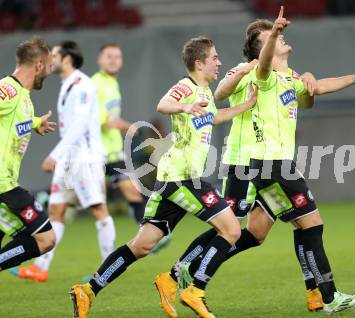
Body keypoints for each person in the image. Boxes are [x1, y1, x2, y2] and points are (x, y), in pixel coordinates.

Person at [158, 6, 355, 315]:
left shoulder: (288, 77)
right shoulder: (257, 73)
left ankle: (315, 295)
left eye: (279, 34)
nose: (281, 36)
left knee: (254, 232)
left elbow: (317, 88)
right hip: (257, 162)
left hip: (268, 163)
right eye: (274, 36)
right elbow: (225, 89)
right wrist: (269, 38)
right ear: (264, 49)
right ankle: (326, 295)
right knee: (294, 224)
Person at [69, 36, 257, 318]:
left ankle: (88, 289)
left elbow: (215, 117)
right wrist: (183, 107)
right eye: (214, 58)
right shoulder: (187, 86)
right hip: (183, 177)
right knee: (231, 230)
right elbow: (163, 103)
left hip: (172, 178)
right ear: (199, 63)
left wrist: (246, 105)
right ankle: (194, 290)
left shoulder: (205, 93)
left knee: (142, 245)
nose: (219, 62)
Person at [15, 41, 116, 282]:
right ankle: (40, 267)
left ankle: (109, 268)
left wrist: (55, 154)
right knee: (56, 210)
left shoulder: (82, 85)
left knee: (98, 209)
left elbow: (80, 126)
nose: (51, 59)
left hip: (84, 159)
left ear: (68, 58)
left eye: (56, 54)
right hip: (70, 159)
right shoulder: (68, 84)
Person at [0, 36, 56, 271]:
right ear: (39, 65)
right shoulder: (9, 89)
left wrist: (34, 122)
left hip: (7, 183)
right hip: (4, 187)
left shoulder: (24, 99)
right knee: (46, 239)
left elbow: (13, 121)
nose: (50, 73)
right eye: (50, 67)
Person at [91, 43, 147, 223]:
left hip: (113, 151)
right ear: (99, 59)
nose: (113, 60)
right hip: (96, 152)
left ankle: (146, 238)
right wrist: (127, 126)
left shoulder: (111, 83)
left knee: (134, 192)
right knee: (82, 201)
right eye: (109, 56)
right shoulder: (96, 84)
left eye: (117, 57)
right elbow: (104, 121)